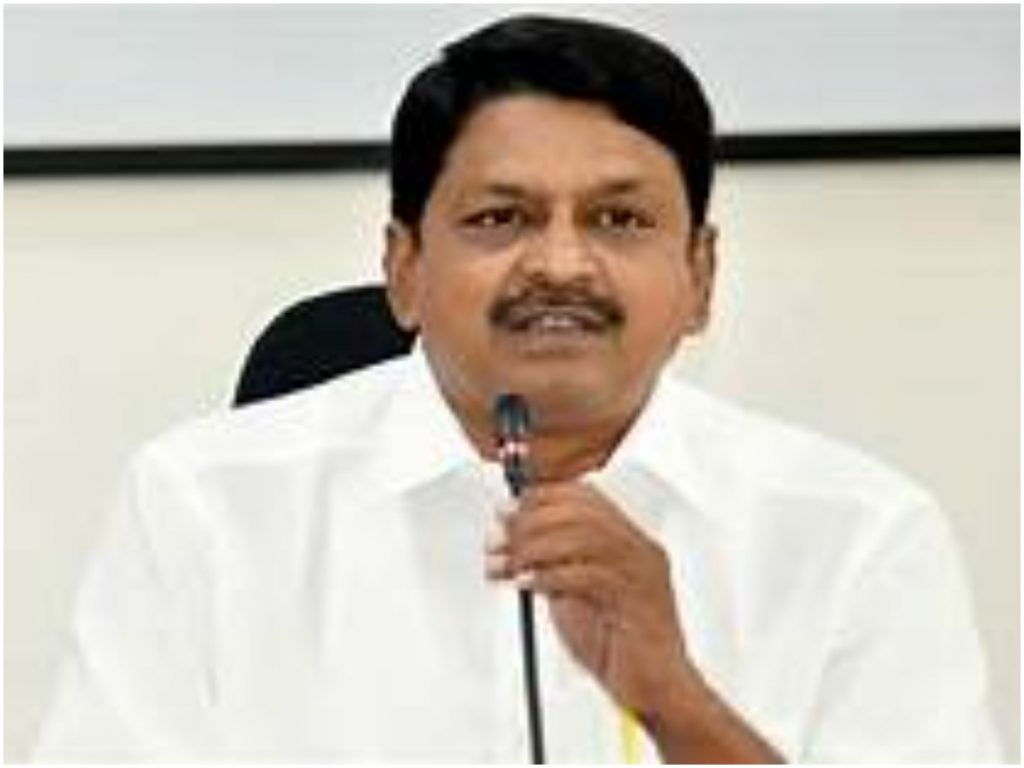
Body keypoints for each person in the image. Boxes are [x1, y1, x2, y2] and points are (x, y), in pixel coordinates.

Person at [34, 14, 1000, 763]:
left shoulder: (856, 535)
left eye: (620, 220)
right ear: (404, 269)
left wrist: (678, 705)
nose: (562, 264)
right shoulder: (207, 506)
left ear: (701, 278)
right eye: (502, 218)